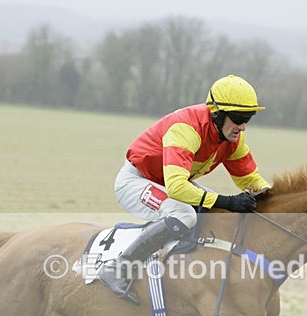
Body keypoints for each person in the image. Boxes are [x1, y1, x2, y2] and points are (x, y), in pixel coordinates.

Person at [99, 75, 271, 304]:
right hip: (136, 180)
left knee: (213, 214)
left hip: (169, 181)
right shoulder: (186, 129)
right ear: (216, 114)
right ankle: (119, 268)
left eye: (248, 118)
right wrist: (227, 201)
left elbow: (250, 179)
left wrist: (279, 200)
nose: (242, 126)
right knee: (184, 214)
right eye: (238, 117)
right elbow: (177, 187)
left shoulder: (232, 138)